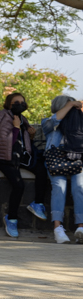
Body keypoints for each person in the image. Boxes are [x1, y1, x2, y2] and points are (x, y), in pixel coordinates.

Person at [0, 92, 37, 238]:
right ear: (9, 104)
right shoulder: (2, 115)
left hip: (20, 157)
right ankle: (11, 219)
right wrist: (16, 128)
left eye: (22, 102)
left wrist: (30, 134)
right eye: (16, 102)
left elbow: (22, 142)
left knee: (42, 170)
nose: (20, 105)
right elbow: (0, 138)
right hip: (4, 157)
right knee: (19, 185)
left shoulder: (23, 119)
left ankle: (39, 204)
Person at [43, 96, 83, 244]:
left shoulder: (79, 122)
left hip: (76, 158)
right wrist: (71, 104)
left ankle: (81, 227)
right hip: (56, 159)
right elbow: (54, 121)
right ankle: (58, 228)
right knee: (59, 188)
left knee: (79, 188)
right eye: (69, 106)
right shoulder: (48, 121)